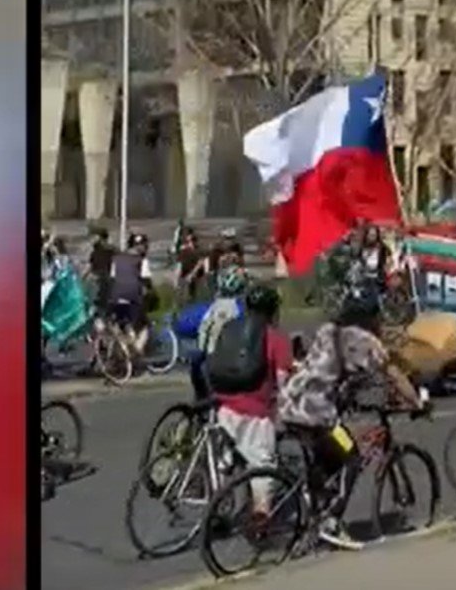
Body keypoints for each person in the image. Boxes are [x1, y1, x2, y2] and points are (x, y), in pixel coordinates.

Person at [276, 283, 430, 550]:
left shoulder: (327, 331)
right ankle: (331, 522)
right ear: (372, 316)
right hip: (317, 415)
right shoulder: (364, 341)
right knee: (351, 456)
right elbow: (392, 374)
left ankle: (316, 509)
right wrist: (416, 402)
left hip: (287, 406)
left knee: (325, 458)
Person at [211, 282, 293, 519]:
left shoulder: (231, 328)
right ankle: (261, 516)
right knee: (262, 467)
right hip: (255, 414)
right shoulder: (276, 339)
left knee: (224, 463)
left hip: (223, 406)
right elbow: (283, 384)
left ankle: (217, 509)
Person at [108, 232, 155, 355]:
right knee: (144, 326)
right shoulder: (142, 260)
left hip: (116, 296)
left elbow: (112, 277)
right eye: (145, 245)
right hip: (133, 297)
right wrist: (151, 292)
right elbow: (146, 280)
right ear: (142, 246)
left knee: (118, 324)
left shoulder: (116, 259)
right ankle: (137, 349)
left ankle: (123, 347)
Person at [84, 227, 115, 312]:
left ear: (100, 238)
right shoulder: (112, 250)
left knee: (95, 301)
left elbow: (89, 267)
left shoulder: (97, 251)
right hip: (107, 279)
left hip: (99, 279)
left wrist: (82, 278)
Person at [174, 229, 205, 304]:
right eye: (190, 241)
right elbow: (179, 265)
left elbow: (200, 263)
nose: (192, 243)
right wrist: (176, 278)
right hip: (184, 277)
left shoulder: (199, 251)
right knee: (183, 296)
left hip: (196, 277)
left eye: (193, 240)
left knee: (195, 296)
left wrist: (192, 274)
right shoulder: (184, 252)